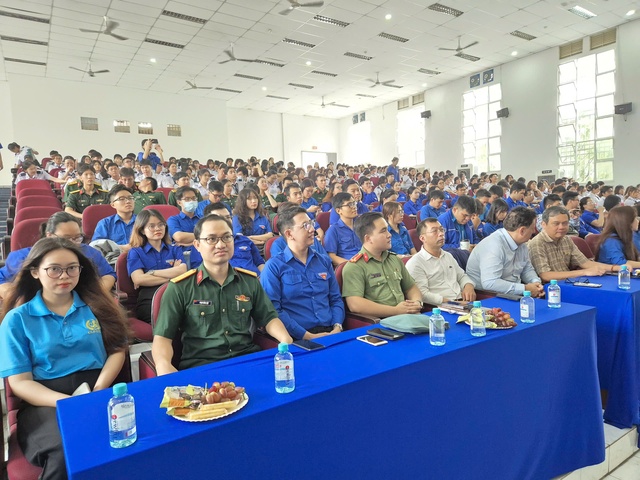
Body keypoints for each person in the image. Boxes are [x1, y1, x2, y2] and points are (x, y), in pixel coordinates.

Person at [0, 237, 129, 479]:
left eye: (72, 268)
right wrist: (66, 402)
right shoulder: (17, 319)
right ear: (35, 272)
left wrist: (100, 387)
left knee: (130, 436)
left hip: (97, 389)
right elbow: (20, 382)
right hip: (45, 401)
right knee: (66, 448)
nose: (64, 275)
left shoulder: (99, 306)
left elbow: (117, 351)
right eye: (54, 269)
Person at [151, 215, 293, 375]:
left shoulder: (249, 281)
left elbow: (269, 318)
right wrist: (163, 365)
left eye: (227, 237)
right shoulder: (180, 288)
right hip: (203, 368)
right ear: (197, 245)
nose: (221, 244)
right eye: (211, 239)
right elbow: (162, 338)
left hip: (247, 362)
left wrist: (286, 341)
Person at [260, 207, 344, 340]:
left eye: (311, 223)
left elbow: (335, 299)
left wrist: (337, 326)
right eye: (305, 226)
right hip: (297, 337)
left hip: (332, 332)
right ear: (289, 234)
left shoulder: (323, 261)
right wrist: (307, 336)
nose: (312, 229)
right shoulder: (274, 267)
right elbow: (274, 310)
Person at [0, 212, 116, 298]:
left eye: (77, 238)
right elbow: (2, 280)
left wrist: (95, 294)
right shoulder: (23, 256)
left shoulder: (90, 253)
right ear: (49, 235)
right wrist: (16, 297)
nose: (72, 243)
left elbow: (108, 274)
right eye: (66, 238)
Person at [342, 212, 423, 317]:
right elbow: (355, 304)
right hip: (383, 322)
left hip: (408, 316)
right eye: (383, 231)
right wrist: (396, 311)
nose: (389, 235)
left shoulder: (394, 259)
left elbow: (411, 287)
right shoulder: (355, 267)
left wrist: (416, 303)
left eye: (388, 230)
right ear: (368, 238)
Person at [466, 207, 544, 297]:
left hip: (514, 292)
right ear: (522, 230)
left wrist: (536, 283)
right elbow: (490, 283)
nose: (534, 231)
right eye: (532, 228)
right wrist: (524, 289)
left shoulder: (521, 244)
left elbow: (526, 269)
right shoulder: (494, 246)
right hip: (489, 295)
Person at [528, 206, 620, 281]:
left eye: (565, 223)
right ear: (544, 224)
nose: (561, 227)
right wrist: (584, 272)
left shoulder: (566, 240)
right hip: (551, 288)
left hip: (569, 282)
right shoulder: (537, 243)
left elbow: (585, 263)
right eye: (556, 223)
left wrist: (617, 268)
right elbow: (546, 275)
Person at [127, 210, 187, 323]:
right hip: (150, 298)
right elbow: (139, 279)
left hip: (176, 295)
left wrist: (151, 273)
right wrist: (172, 274)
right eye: (151, 226)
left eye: (161, 224)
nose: (158, 229)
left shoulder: (175, 249)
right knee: (168, 321)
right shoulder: (136, 252)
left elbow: (183, 271)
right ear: (142, 230)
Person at [406, 218, 475, 306]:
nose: (441, 234)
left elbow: (461, 276)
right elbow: (422, 294)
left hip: (462, 302)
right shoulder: (415, 263)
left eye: (442, 230)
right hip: (440, 308)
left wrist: (468, 285)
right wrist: (451, 303)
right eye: (435, 231)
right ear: (422, 238)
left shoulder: (448, 256)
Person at [203, 203, 265, 276]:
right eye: (219, 218)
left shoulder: (244, 240)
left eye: (228, 217)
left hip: (254, 281)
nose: (225, 221)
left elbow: (259, 263)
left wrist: (263, 278)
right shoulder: (204, 245)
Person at [91, 185, 136, 253]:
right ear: (113, 205)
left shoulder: (144, 221)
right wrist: (121, 248)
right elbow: (97, 247)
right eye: (121, 199)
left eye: (130, 198)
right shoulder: (105, 223)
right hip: (114, 259)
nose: (128, 201)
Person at [324, 193, 363, 266]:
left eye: (354, 203)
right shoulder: (333, 230)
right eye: (349, 205)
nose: (354, 207)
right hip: (349, 267)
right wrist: (351, 264)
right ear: (339, 211)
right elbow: (331, 256)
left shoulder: (361, 226)